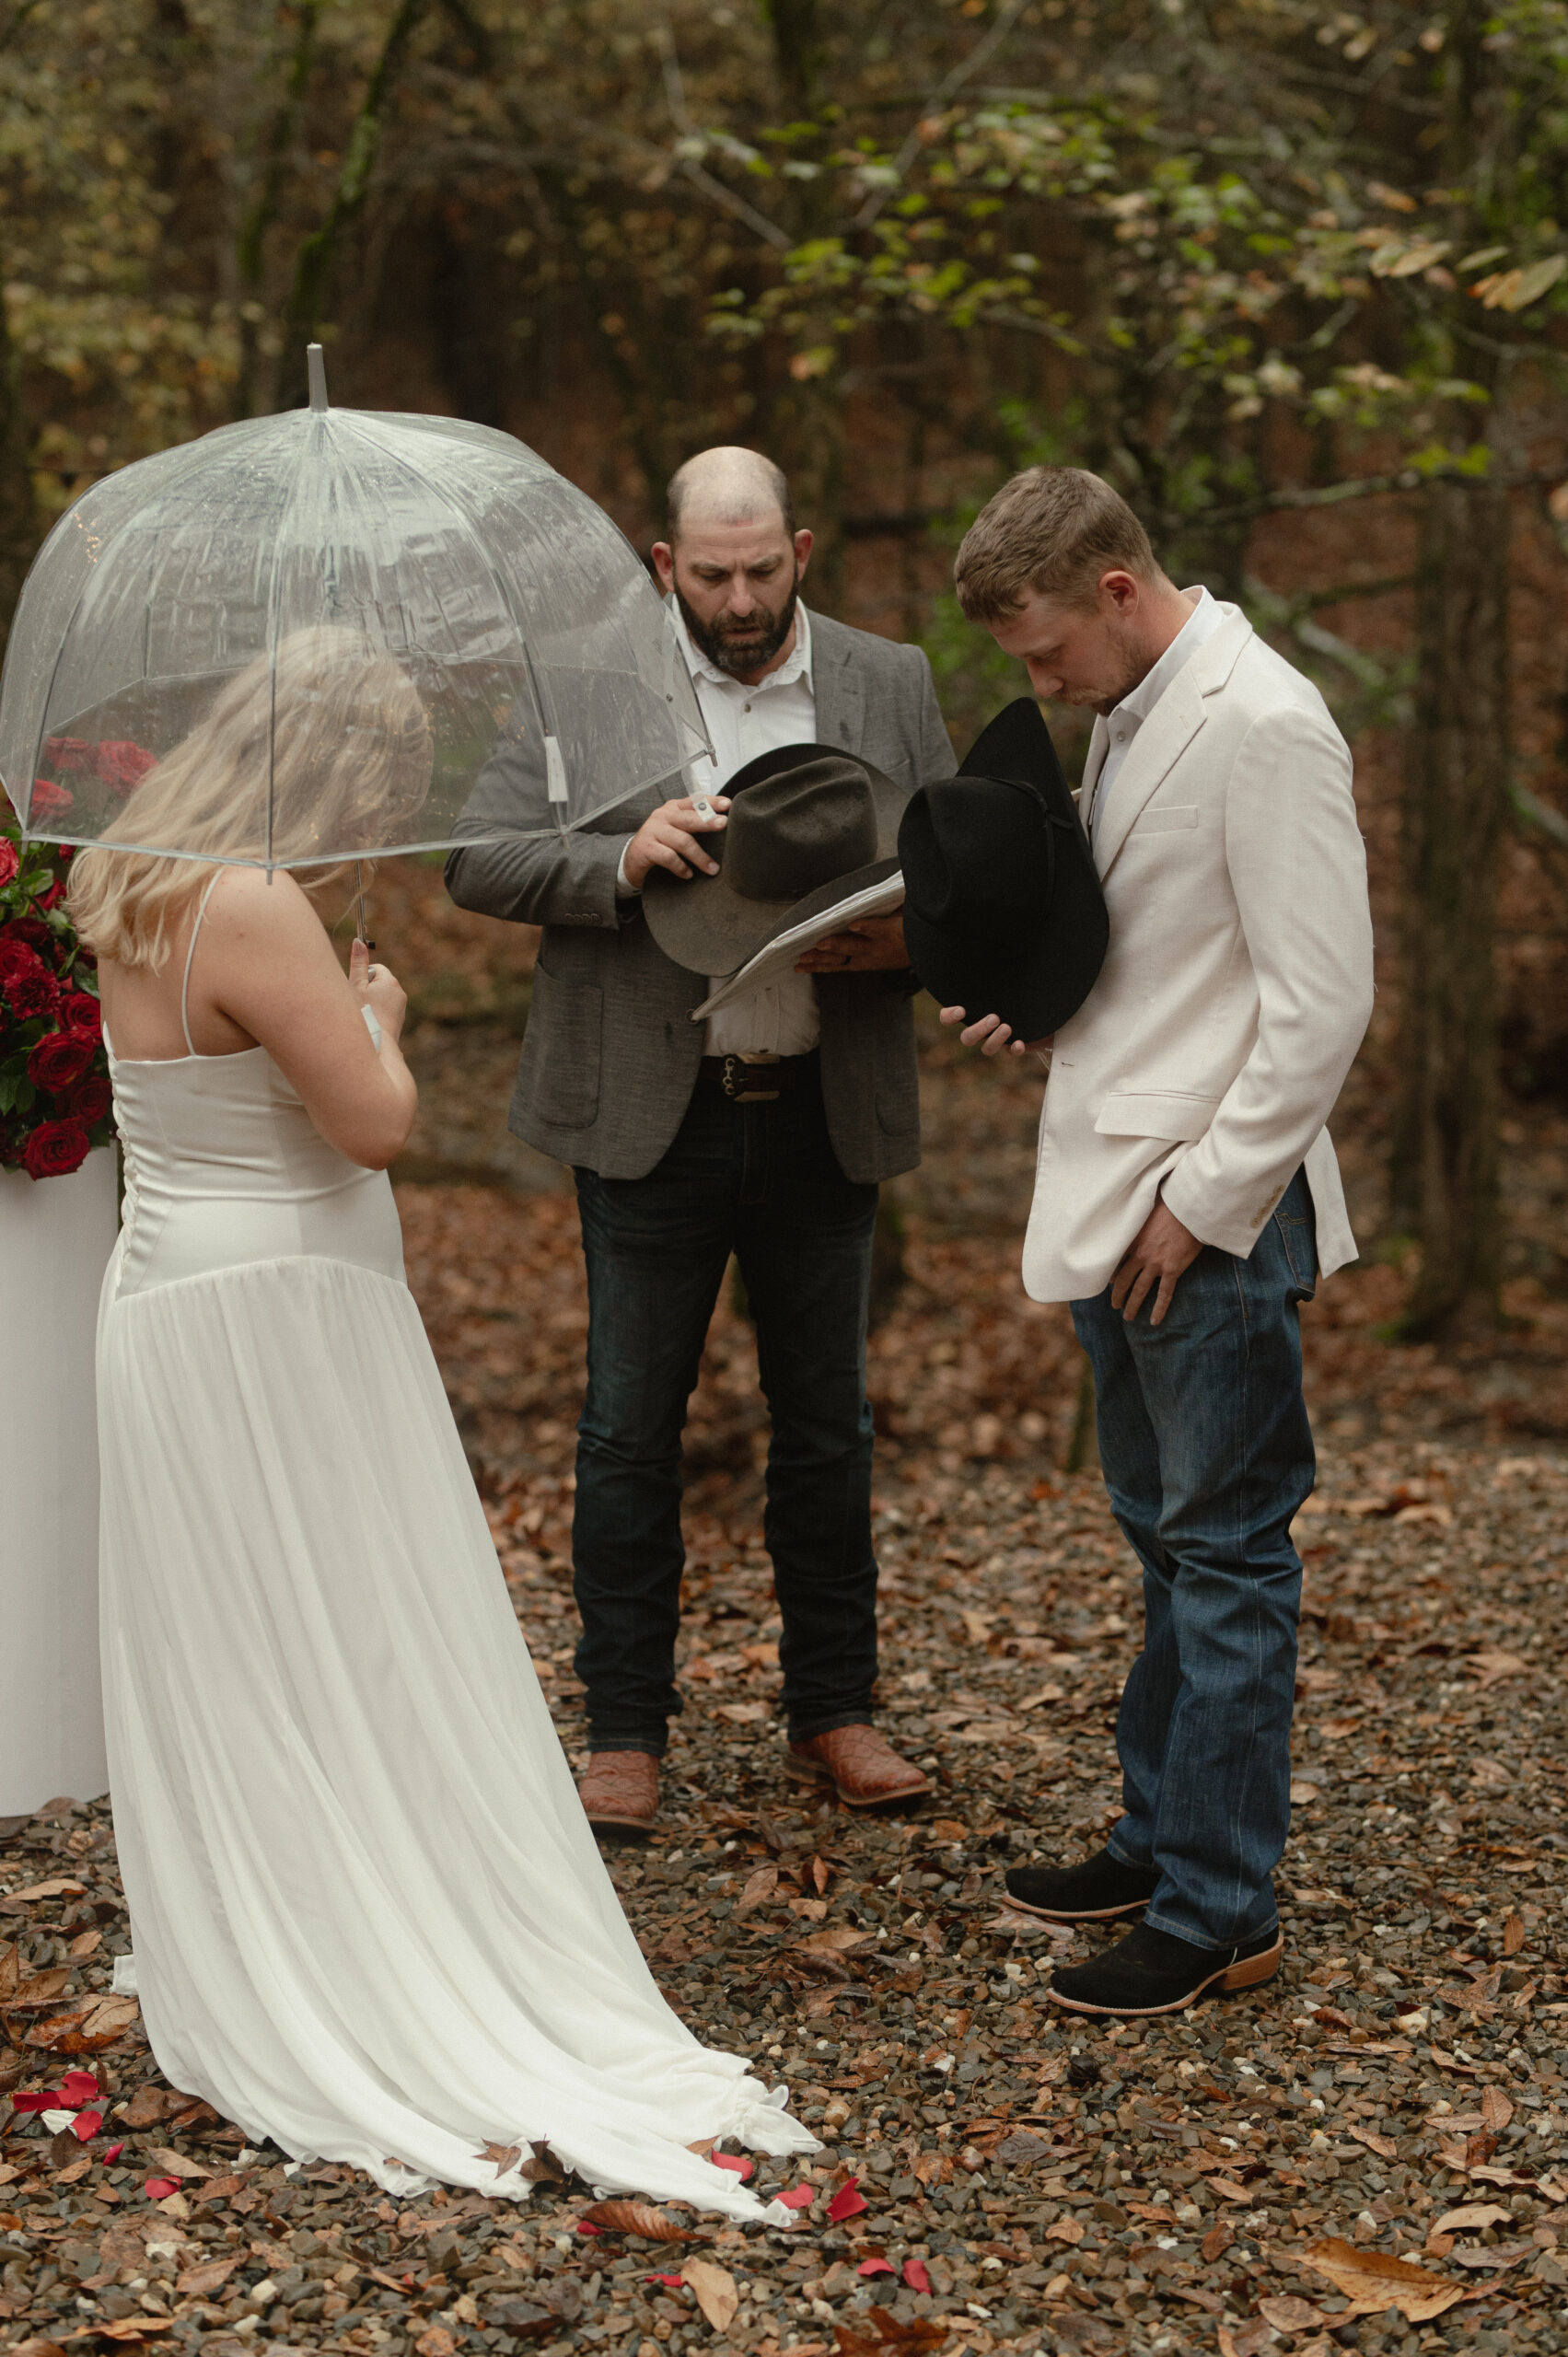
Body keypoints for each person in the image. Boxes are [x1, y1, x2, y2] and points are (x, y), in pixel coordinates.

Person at [69, 628, 815, 2215]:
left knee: (247, 1640)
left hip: (165, 1300)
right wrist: (382, 1010)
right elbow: (375, 1126)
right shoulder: (255, 900)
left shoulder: (123, 869)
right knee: (344, 1629)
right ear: (326, 754)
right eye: (382, 774)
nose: (388, 806)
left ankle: (270, 1909)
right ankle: (359, 1943)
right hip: (283, 1315)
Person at [446, 447, 955, 1834]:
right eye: (711, 575)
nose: (740, 599)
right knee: (624, 1434)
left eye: (763, 570)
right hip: (648, 1118)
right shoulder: (584, 679)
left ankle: (837, 1713)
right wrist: (613, 859)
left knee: (828, 1431)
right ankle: (624, 1732)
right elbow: (475, 854)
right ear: (664, 563)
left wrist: (897, 943)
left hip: (819, 1111)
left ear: (803, 547)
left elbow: (966, 884)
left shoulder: (889, 681)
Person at [940, 469, 1375, 2017]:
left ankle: (1219, 1910)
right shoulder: (1130, 711)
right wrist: (1033, 991)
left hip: (1211, 1222)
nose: (1037, 682)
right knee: (1163, 1548)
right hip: (1115, 1197)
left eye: (1046, 648)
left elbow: (1321, 1000)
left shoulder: (1263, 722)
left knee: (1231, 1558)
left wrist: (1207, 1202)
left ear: (1118, 590)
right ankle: (1157, 1834)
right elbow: (1156, 945)